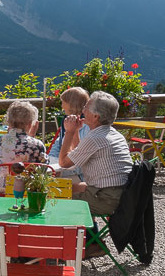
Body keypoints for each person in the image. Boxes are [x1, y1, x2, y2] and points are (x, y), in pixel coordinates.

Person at [59, 91, 133, 258]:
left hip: (107, 199)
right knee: (68, 187)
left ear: (95, 116)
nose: (83, 110)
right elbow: (79, 153)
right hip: (120, 194)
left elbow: (64, 163)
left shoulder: (96, 138)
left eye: (86, 107)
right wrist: (77, 131)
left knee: (60, 198)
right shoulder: (112, 134)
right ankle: (92, 243)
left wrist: (69, 132)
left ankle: (68, 246)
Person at [0, 101, 48, 192]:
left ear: (9, 122)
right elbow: (43, 169)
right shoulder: (37, 145)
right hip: (26, 190)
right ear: (30, 124)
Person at [48, 87, 90, 183]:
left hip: (79, 174)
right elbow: (58, 145)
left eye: (63, 102)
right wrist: (51, 162)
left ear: (71, 104)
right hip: (64, 167)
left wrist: (60, 170)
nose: (62, 106)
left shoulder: (87, 126)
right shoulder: (68, 121)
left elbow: (81, 159)